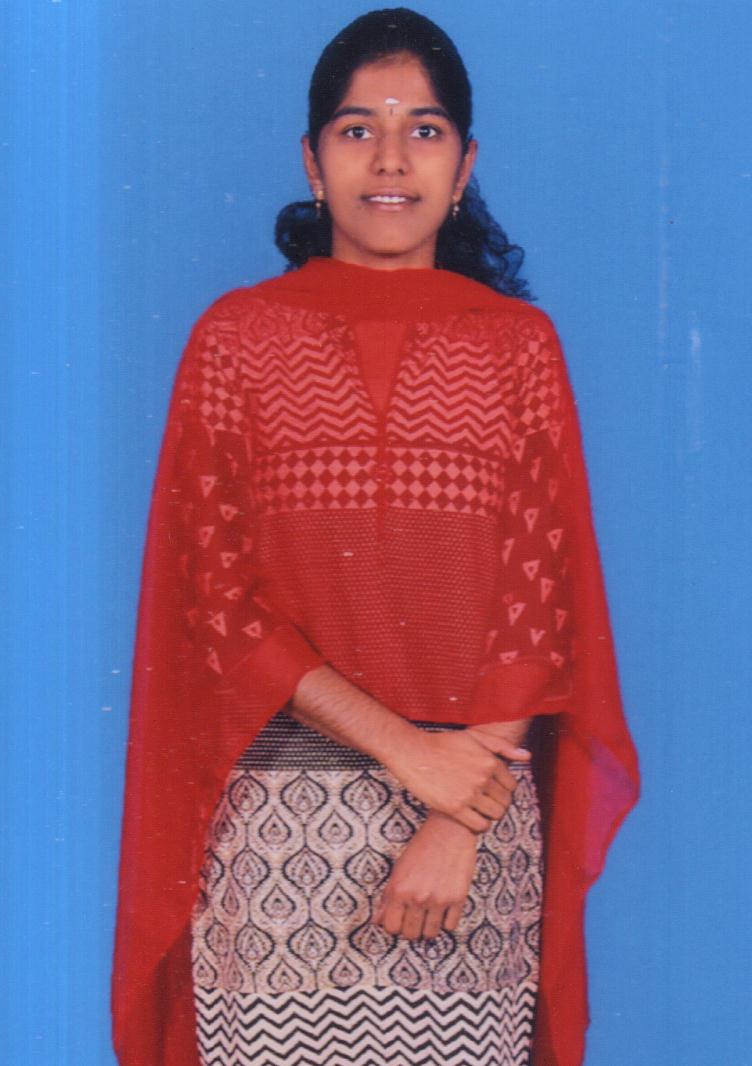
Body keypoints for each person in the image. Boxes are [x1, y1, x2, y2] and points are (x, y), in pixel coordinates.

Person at [111, 8, 639, 1066]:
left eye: (423, 130)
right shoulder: (235, 341)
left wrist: (453, 818)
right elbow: (219, 603)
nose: (391, 159)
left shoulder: (518, 348)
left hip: (471, 835)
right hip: (277, 838)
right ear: (312, 161)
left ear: (465, 164)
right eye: (358, 130)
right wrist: (409, 755)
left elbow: (542, 601)